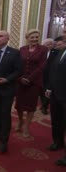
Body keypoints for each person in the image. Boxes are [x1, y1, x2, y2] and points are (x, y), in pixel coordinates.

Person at [15, 29, 47, 137]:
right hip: (21, 82)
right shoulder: (22, 49)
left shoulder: (43, 49)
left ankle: (26, 127)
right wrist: (21, 78)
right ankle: (20, 121)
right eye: (32, 37)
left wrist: (29, 78)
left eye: (36, 37)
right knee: (19, 106)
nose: (34, 39)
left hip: (34, 83)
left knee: (31, 106)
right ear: (27, 38)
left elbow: (42, 66)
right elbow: (19, 65)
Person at [45, 28, 66, 166]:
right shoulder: (60, 52)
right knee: (56, 120)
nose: (63, 32)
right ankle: (57, 142)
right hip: (56, 94)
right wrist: (49, 88)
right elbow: (53, 71)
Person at [41, 38, 59, 115]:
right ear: (43, 45)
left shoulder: (56, 52)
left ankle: (45, 106)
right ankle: (42, 104)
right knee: (41, 91)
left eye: (50, 44)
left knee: (47, 91)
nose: (49, 45)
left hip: (50, 75)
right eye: (47, 44)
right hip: (40, 75)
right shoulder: (41, 52)